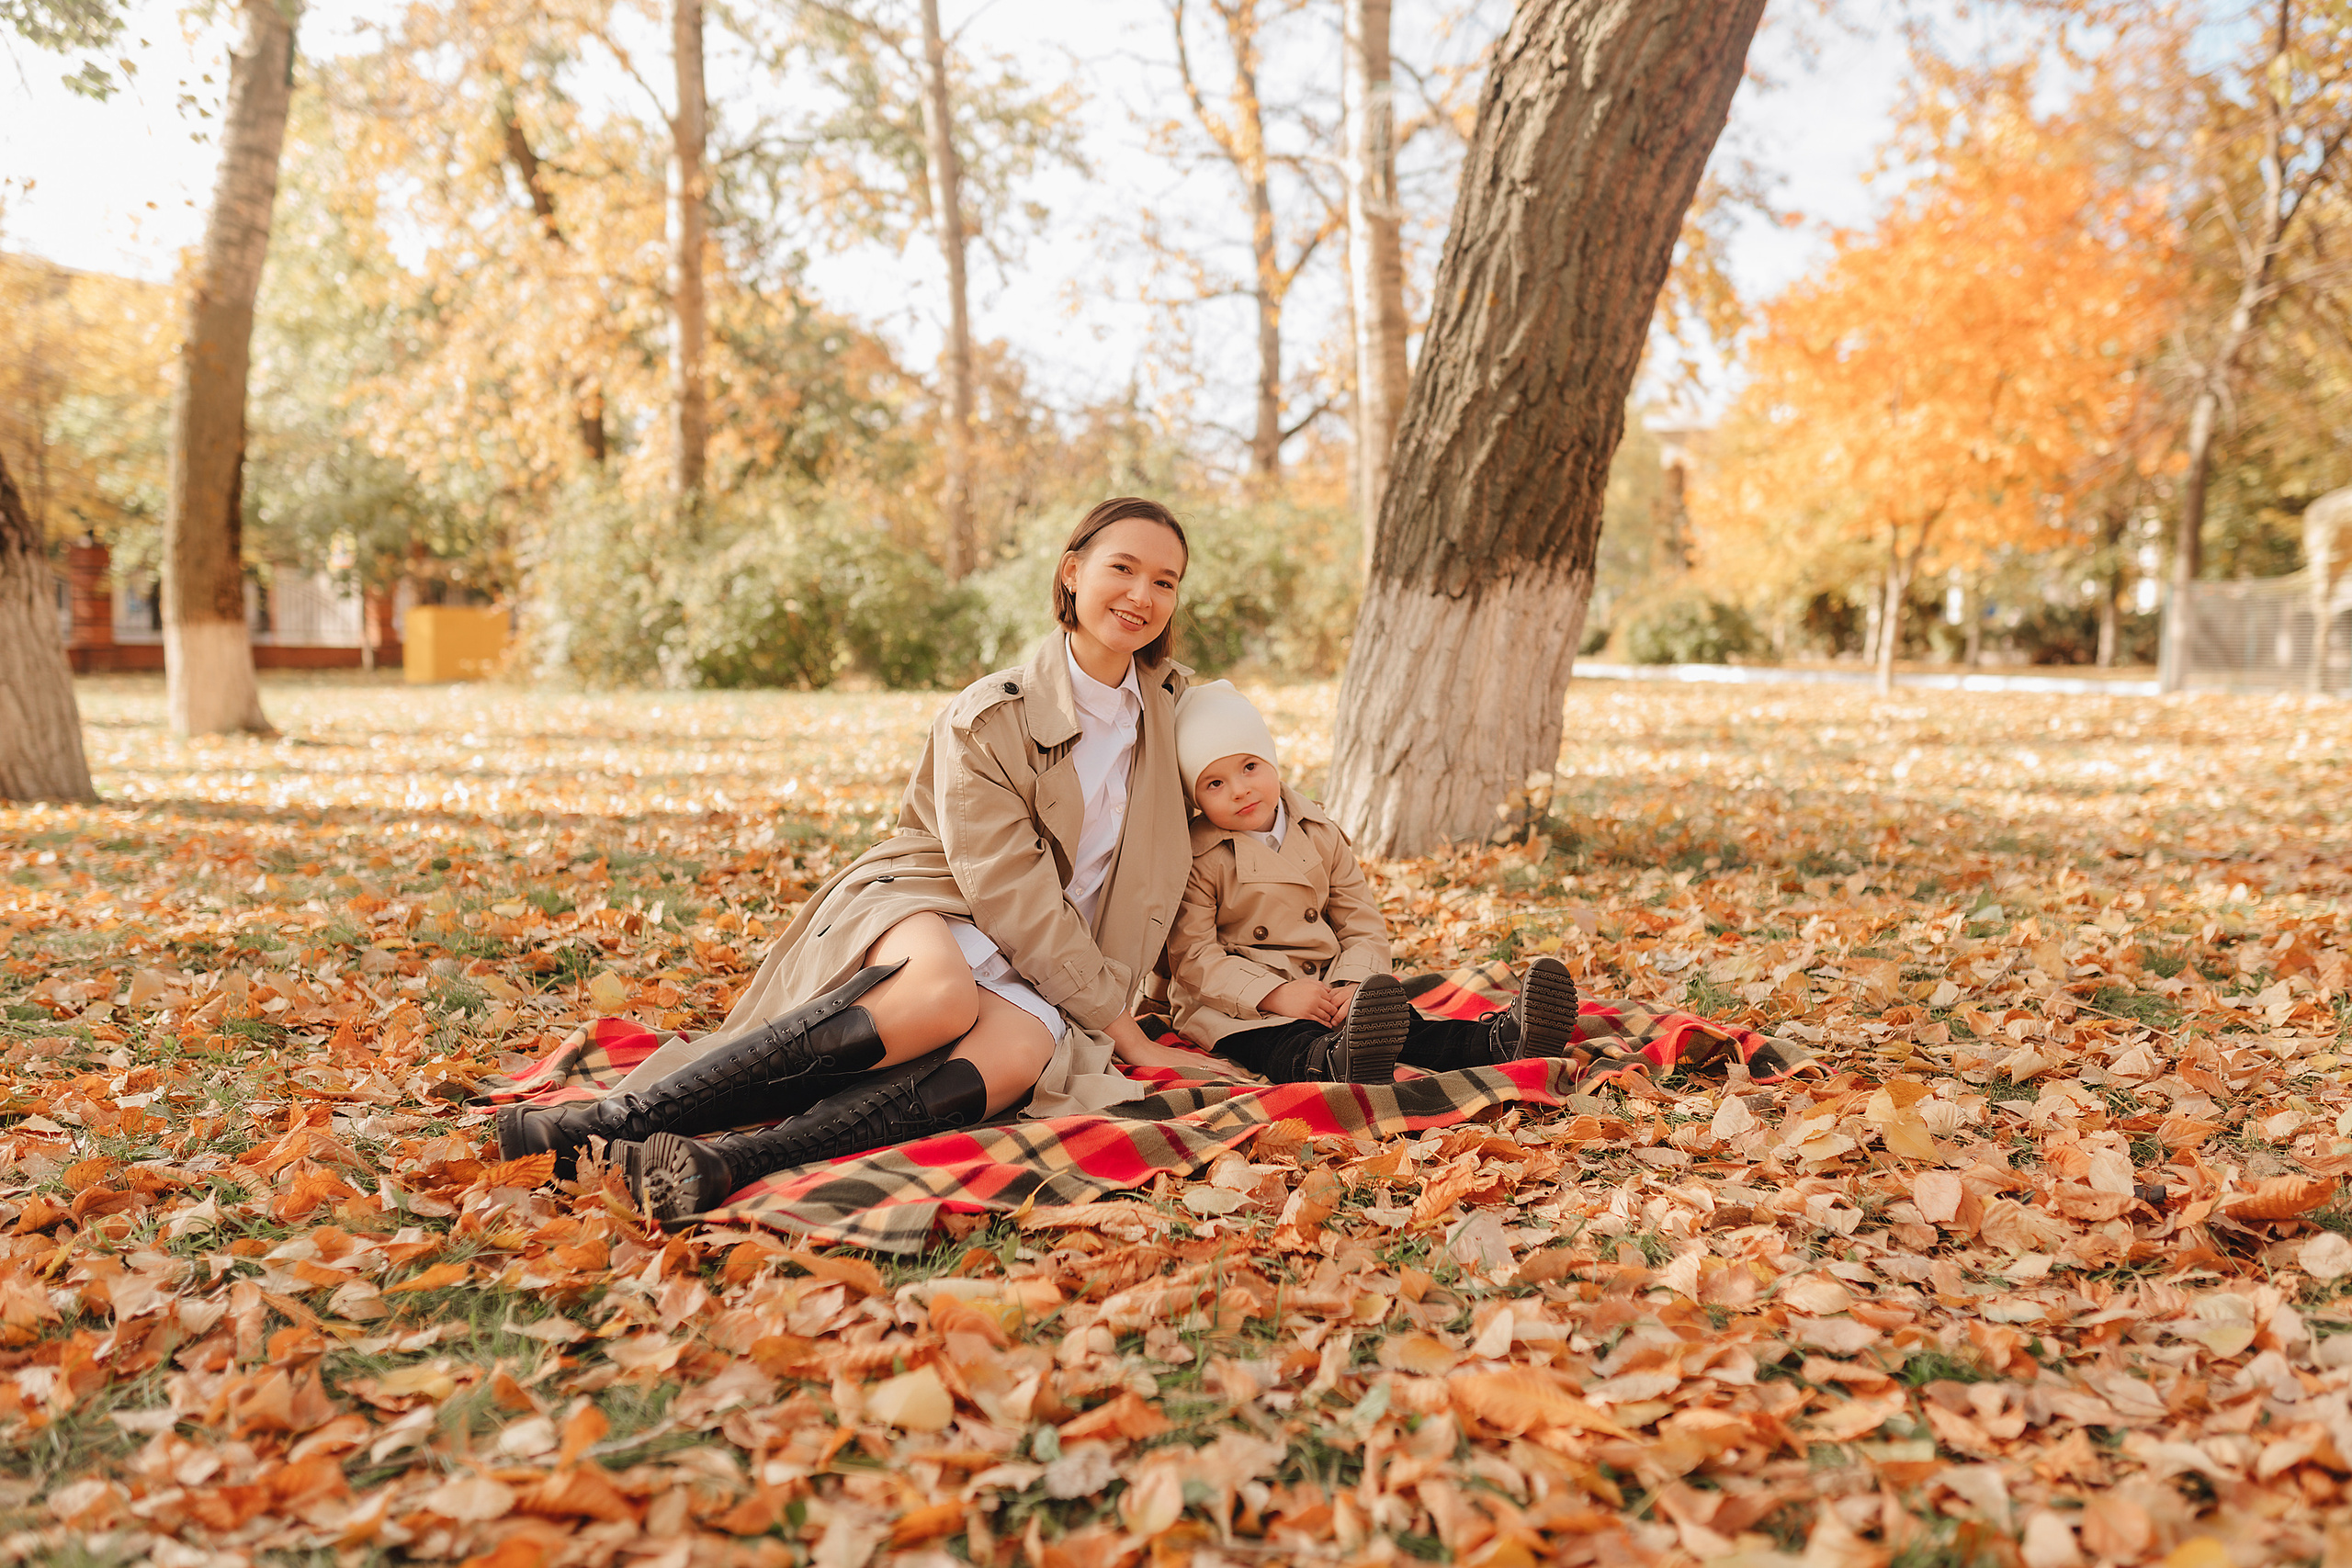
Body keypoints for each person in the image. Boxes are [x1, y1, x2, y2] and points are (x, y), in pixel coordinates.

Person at [498, 497, 1215, 1221]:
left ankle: (729, 1161)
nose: (1142, 595)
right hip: (940, 898)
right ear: (1071, 572)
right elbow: (1007, 891)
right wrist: (1119, 1023)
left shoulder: (1173, 710)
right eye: (1122, 568)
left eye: (1166, 580)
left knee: (1016, 1059)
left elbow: (1252, 795)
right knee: (940, 998)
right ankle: (611, 1124)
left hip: (1055, 954)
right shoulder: (990, 714)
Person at [1164, 680, 1580, 1083]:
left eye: (1250, 766)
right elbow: (1195, 957)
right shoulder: (1198, 857)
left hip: (1328, 980)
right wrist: (1273, 995)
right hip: (1237, 1001)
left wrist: (1351, 984)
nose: (1240, 790)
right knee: (1280, 1040)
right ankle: (1330, 1064)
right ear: (1196, 797)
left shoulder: (1318, 830)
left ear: (1271, 760)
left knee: (1401, 1026)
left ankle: (1499, 1042)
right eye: (1215, 783)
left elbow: (1359, 919)